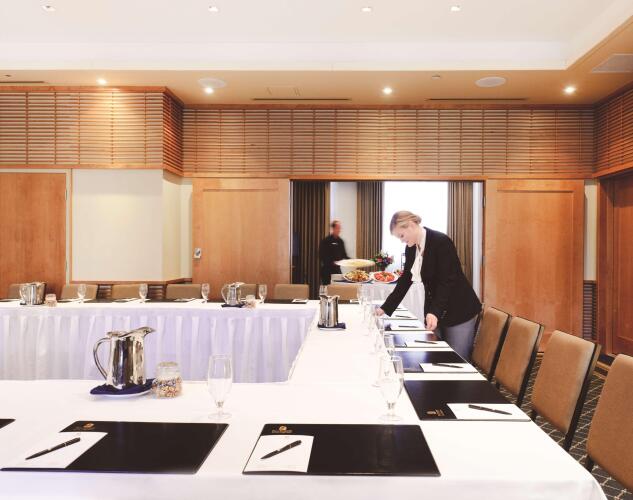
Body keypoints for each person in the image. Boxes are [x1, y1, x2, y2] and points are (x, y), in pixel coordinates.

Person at [376, 211, 481, 360]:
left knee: (458, 360)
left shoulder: (441, 242)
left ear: (411, 225)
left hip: (459, 308)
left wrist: (434, 312)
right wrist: (385, 307)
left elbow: (447, 281)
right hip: (436, 309)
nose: (401, 241)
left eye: (401, 235)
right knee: (436, 358)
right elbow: (405, 280)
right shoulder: (412, 247)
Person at [319, 220, 349, 285]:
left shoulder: (340, 241)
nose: (339, 230)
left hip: (337, 270)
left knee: (338, 287)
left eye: (339, 228)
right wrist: (332, 262)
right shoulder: (326, 241)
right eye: (337, 228)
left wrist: (352, 261)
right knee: (327, 288)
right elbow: (321, 255)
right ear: (333, 228)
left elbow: (344, 255)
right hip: (327, 270)